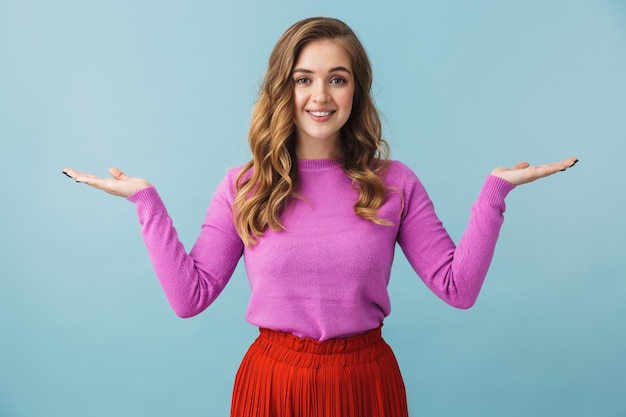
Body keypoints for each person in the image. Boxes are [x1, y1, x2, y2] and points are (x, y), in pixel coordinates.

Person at [62, 16, 577, 417]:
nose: (320, 96)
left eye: (337, 79)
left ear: (357, 90)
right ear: (283, 88)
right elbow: (189, 298)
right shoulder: (245, 186)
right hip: (273, 385)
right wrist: (146, 201)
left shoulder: (394, 182)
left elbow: (457, 288)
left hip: (365, 384)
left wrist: (494, 194)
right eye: (304, 78)